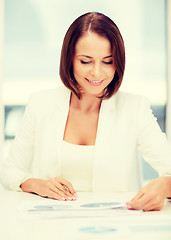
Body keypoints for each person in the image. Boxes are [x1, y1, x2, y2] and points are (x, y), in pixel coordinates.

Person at [1, 12, 171, 211]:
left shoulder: (135, 108)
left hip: (114, 225)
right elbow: (9, 171)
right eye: (85, 61)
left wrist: (165, 185)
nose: (97, 73)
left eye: (107, 61)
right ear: (69, 60)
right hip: (52, 225)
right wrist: (36, 184)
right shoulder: (41, 103)